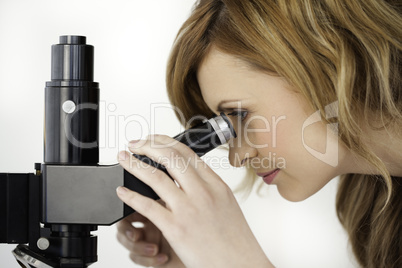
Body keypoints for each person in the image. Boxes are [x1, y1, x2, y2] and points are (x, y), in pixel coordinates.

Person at [115, 0, 402, 267]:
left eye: (239, 114)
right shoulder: (382, 216)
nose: (237, 157)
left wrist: (234, 260)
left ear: (326, 62)